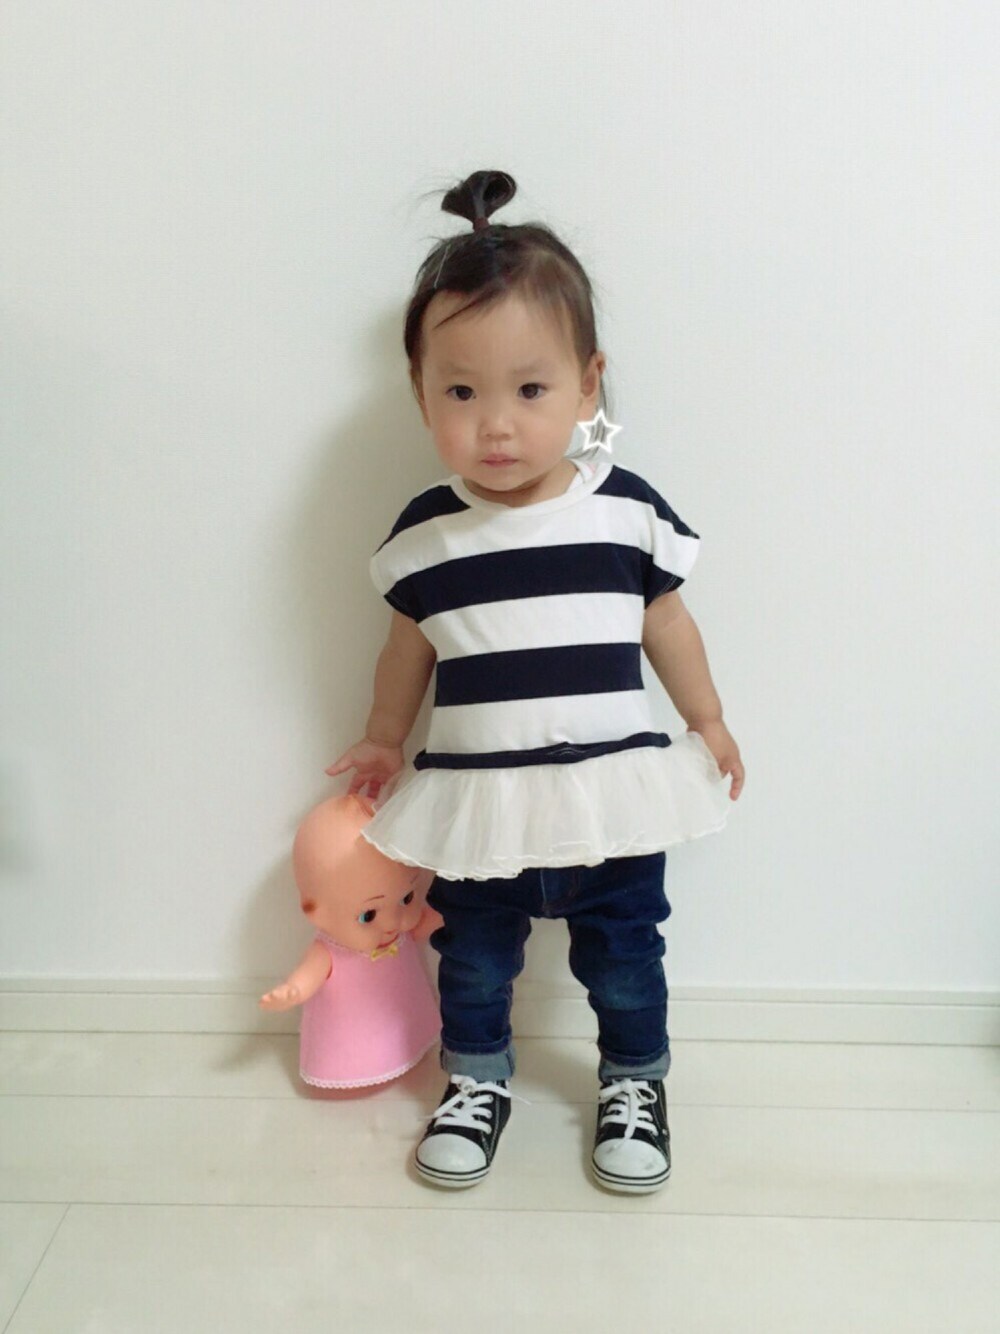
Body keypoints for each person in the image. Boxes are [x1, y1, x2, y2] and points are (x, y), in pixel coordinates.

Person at [326, 169, 745, 1194]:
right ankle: (474, 1079)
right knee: (473, 956)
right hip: (478, 801)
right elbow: (406, 649)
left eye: (530, 389)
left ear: (586, 384)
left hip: (612, 794)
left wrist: (708, 717)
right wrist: (382, 735)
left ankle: (634, 1081)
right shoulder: (427, 534)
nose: (497, 426)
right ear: (421, 392)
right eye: (460, 393)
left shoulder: (624, 510)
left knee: (626, 953)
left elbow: (667, 622)